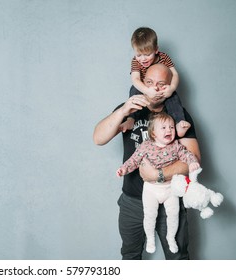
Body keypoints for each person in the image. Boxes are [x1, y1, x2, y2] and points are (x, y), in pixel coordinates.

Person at [93, 63, 201, 260]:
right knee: (130, 257)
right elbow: (98, 138)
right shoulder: (128, 110)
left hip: (170, 197)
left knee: (179, 259)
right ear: (141, 83)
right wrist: (122, 110)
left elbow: (194, 158)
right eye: (149, 82)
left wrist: (158, 175)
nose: (155, 89)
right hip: (132, 202)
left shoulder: (179, 116)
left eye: (161, 84)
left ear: (170, 86)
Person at [116, 112, 200, 254]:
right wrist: (124, 169)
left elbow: (187, 155)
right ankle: (150, 239)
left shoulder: (176, 145)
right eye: (164, 128)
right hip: (151, 189)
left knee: (174, 214)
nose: (169, 130)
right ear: (153, 133)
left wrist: (192, 163)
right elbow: (134, 160)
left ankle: (171, 238)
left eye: (172, 127)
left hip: (170, 188)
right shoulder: (145, 146)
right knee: (150, 214)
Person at [120, 27, 191, 138]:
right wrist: (147, 91)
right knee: (133, 91)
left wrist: (171, 88)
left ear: (156, 50)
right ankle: (131, 119)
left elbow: (175, 74)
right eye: (139, 55)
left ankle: (179, 123)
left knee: (173, 97)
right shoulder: (135, 61)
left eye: (147, 54)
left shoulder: (164, 57)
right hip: (144, 87)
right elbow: (135, 79)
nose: (143, 59)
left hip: (162, 87)